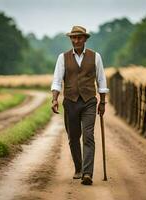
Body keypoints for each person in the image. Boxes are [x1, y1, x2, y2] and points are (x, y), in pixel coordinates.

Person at [51, 25, 109, 185]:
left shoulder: (95, 57)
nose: (76, 40)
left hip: (89, 101)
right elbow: (57, 80)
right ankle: (78, 167)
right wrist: (55, 99)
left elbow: (101, 80)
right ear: (70, 39)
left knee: (88, 136)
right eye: (73, 38)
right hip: (70, 102)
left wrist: (102, 102)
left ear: (85, 39)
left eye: (79, 37)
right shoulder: (62, 58)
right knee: (73, 137)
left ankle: (87, 173)